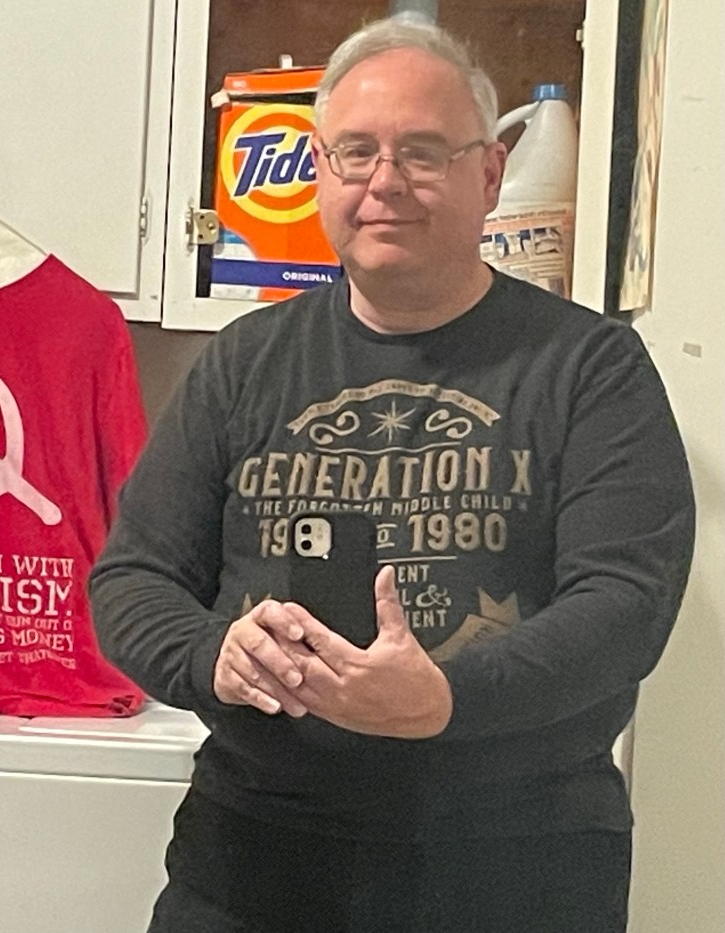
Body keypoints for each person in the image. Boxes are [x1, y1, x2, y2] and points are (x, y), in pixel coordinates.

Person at [89, 14, 695, 933]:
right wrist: (215, 655)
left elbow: (626, 604)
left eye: (423, 152)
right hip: (254, 863)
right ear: (320, 172)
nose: (385, 182)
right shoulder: (242, 364)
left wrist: (445, 698)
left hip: (520, 869)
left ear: (489, 174)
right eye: (355, 152)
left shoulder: (591, 366)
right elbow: (133, 579)